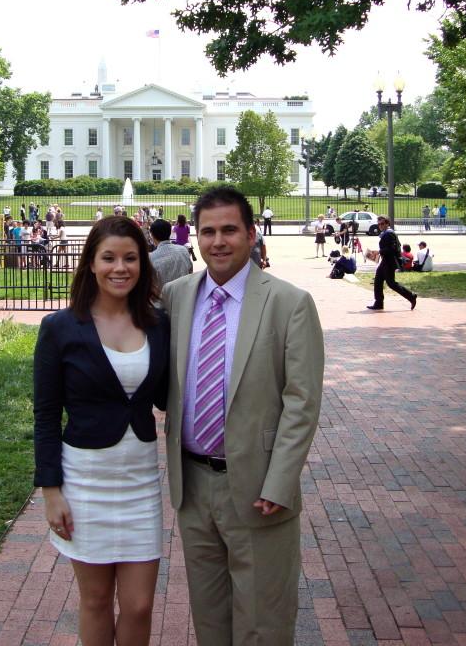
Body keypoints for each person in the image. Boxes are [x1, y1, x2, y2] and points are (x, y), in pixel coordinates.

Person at [162, 186, 324, 646]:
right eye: (208, 231)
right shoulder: (176, 297)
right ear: (195, 237)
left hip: (257, 488)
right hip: (192, 487)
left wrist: (280, 481)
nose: (218, 241)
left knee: (262, 624)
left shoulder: (289, 303)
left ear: (251, 235)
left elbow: (302, 401)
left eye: (229, 230)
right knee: (209, 620)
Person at [33, 215, 170, 646]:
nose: (120, 267)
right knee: (94, 601)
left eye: (130, 258)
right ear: (90, 263)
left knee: (139, 605)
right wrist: (51, 491)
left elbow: (168, 396)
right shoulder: (60, 329)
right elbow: (46, 416)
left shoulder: (158, 324)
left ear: (142, 264)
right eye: (108, 257)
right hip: (85, 482)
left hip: (140, 482)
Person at [367, 216, 417, 311]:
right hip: (385, 261)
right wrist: (379, 252)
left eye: (382, 224)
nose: (380, 226)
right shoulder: (385, 234)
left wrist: (379, 252)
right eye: (379, 224)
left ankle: (411, 296)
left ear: (387, 224)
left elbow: (392, 248)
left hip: (389, 262)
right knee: (378, 281)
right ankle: (378, 303)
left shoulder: (389, 234)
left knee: (391, 283)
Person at [149, 218, 193, 288]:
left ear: (152, 235)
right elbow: (190, 272)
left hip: (164, 297)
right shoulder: (183, 251)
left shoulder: (151, 258)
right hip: (185, 294)